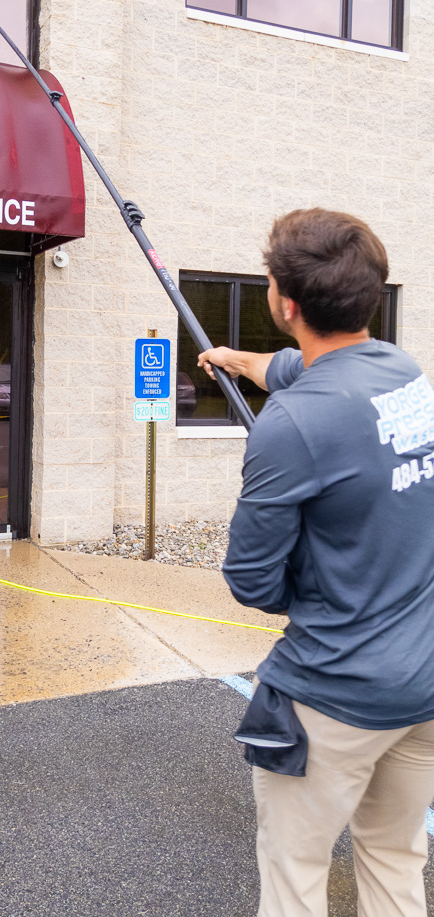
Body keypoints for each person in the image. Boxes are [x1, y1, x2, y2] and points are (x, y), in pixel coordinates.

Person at [198, 208, 434, 917]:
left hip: (335, 691)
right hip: (421, 687)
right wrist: (232, 360)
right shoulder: (401, 371)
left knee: (295, 875)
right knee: (395, 861)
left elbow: (251, 580)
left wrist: (319, 578)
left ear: (285, 301)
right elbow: (298, 367)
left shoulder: (289, 426)